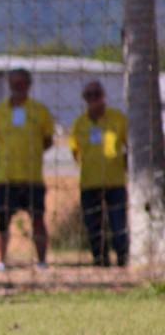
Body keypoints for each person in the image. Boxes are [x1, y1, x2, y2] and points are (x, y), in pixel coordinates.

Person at [0, 68, 54, 270]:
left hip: (32, 177)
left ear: (29, 85)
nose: (18, 86)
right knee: (1, 221)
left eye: (21, 83)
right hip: (5, 177)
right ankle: (0, 261)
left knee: (38, 219)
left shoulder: (40, 110)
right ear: (9, 84)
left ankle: (41, 261)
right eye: (14, 83)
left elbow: (48, 140)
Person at [68, 81, 128, 267]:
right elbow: (75, 151)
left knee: (118, 224)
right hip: (89, 182)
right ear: (84, 98)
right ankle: (100, 260)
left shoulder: (118, 119)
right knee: (93, 225)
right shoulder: (79, 123)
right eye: (89, 95)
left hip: (115, 181)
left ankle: (123, 259)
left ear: (103, 95)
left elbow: (130, 146)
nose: (93, 98)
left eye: (96, 94)